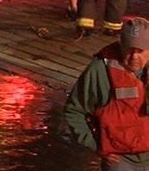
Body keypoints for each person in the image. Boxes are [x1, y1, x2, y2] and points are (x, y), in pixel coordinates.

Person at [64, 17, 149, 170]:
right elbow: (74, 110)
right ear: (120, 45)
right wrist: (96, 145)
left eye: (141, 51)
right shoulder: (99, 71)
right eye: (129, 49)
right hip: (121, 161)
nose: (134, 57)